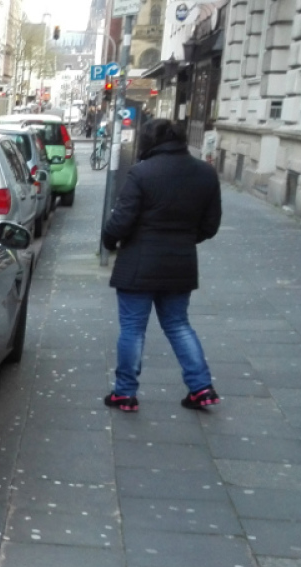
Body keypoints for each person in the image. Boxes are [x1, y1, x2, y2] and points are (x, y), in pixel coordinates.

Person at [102, 119, 222, 412]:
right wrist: (184, 240)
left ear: (149, 142)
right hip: (180, 263)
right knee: (179, 325)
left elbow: (122, 219)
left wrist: (109, 240)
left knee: (133, 328)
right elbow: (211, 224)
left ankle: (125, 393)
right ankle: (201, 387)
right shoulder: (205, 173)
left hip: (138, 264)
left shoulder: (141, 173)